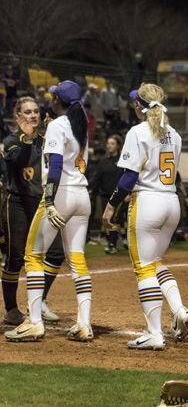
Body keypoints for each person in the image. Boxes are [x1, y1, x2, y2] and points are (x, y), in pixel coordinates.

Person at [102, 83, 188, 350]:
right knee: (154, 263)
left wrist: (110, 207)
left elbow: (129, 177)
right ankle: (179, 309)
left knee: (143, 268)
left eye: (135, 103)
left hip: (148, 201)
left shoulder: (138, 131)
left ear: (140, 106)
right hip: (170, 202)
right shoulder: (174, 133)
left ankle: (154, 332)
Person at [5, 80, 94, 342]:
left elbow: (55, 166)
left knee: (33, 256)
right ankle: (84, 324)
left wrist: (51, 200)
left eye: (53, 96)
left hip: (61, 194)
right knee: (77, 260)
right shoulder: (81, 125)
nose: (50, 99)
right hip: (82, 195)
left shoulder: (57, 124)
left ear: (58, 100)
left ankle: (34, 323)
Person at [1, 97, 65, 326]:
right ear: (18, 116)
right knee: (15, 258)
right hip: (16, 203)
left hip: (41, 203)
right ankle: (10, 310)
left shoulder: (46, 140)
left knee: (56, 253)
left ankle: (39, 301)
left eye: (36, 111)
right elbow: (18, 161)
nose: (33, 115)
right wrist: (28, 139)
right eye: (27, 112)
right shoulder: (11, 141)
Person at [90, 135, 125, 254]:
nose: (109, 145)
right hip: (105, 195)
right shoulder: (103, 162)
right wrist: (91, 190)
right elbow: (96, 178)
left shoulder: (123, 161)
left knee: (115, 219)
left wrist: (128, 193)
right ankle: (113, 242)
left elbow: (128, 178)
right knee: (108, 219)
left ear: (118, 146)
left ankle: (113, 244)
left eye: (112, 143)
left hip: (119, 196)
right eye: (108, 143)